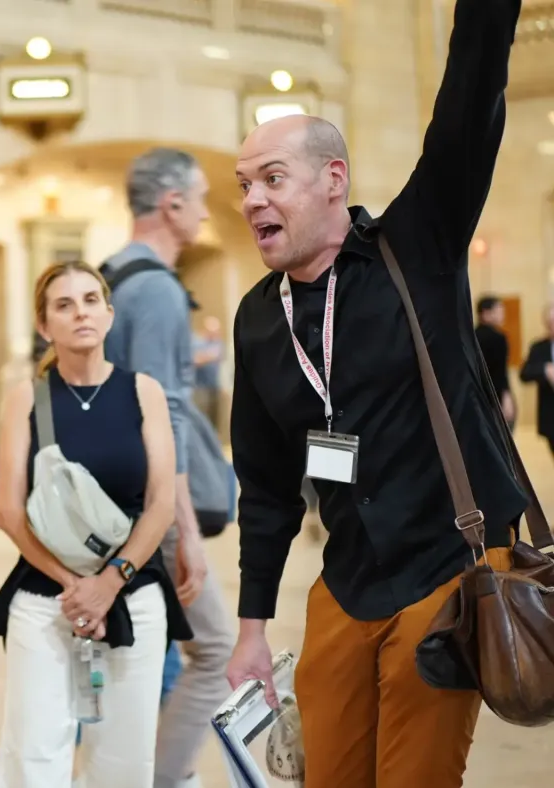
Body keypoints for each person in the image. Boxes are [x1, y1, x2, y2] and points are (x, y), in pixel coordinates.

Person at [227, 0, 525, 784]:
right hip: (348, 582)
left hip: (448, 567)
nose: (252, 198)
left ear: (333, 179)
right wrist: (251, 625)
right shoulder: (260, 320)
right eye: (243, 184)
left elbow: (470, 97)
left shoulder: (416, 246)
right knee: (325, 774)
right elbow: (263, 486)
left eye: (271, 178)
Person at [0, 259, 191, 788]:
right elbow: (8, 510)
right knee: (34, 754)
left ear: (109, 313)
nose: (81, 313)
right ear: (43, 324)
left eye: (91, 300)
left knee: (124, 758)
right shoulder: (28, 397)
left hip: (134, 589)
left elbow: (161, 501)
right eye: (64, 304)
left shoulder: (143, 391)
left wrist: (109, 582)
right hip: (46, 594)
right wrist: (77, 588)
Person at [100, 147, 235, 788]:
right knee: (212, 650)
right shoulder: (152, 287)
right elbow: (164, 410)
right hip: (150, 499)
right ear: (171, 203)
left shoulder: (110, 277)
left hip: (113, 496)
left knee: (138, 651)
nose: (210, 210)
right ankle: (166, 778)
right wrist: (181, 526)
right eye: (202, 197)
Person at [518, 303, 554, 456]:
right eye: (551, 323)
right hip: (551, 416)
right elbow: (524, 374)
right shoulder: (539, 347)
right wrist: (544, 370)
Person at [475, 295, 514, 428]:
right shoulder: (499, 338)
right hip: (495, 395)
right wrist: (506, 396)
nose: (502, 315)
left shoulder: (470, 336)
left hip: (475, 397)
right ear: (486, 313)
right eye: (499, 311)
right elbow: (500, 372)